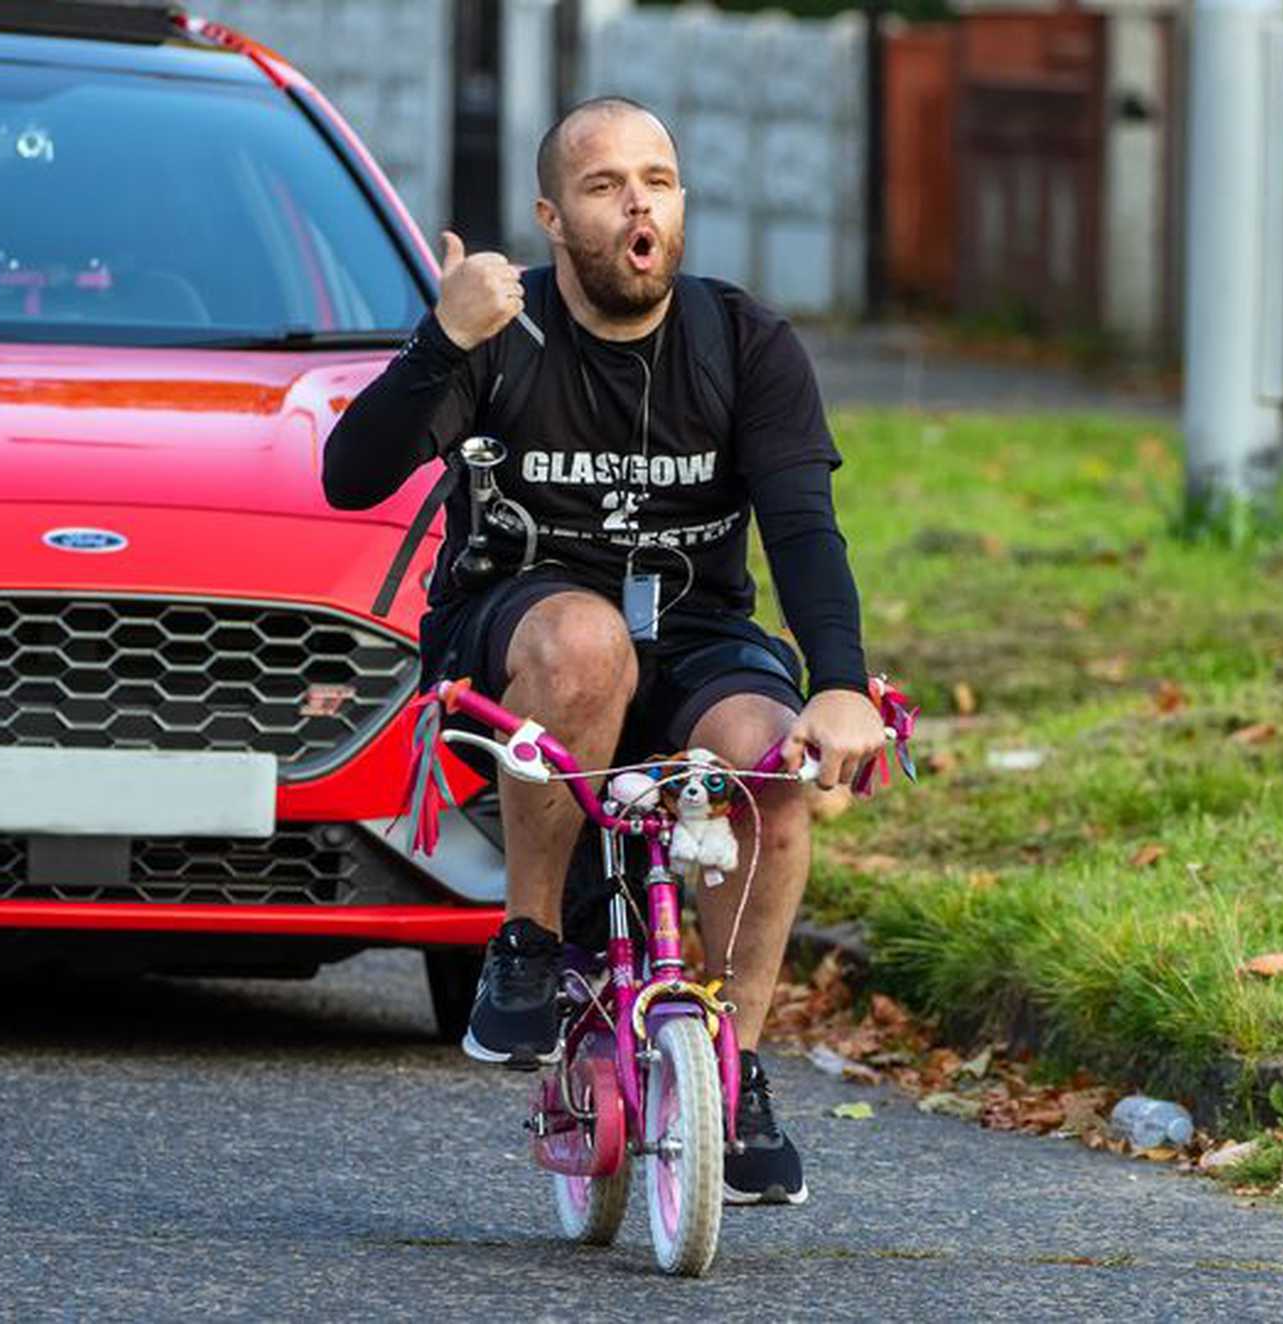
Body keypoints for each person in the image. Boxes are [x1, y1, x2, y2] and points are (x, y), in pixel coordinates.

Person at [322, 96, 883, 1207]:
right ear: (551, 217)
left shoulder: (743, 343)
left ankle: (732, 1065)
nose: (639, 202)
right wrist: (441, 341)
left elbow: (802, 529)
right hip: (523, 632)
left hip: (696, 633)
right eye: (604, 184)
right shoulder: (501, 335)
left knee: (768, 761)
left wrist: (839, 685)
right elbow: (351, 476)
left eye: (658, 181)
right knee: (585, 645)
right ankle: (527, 941)